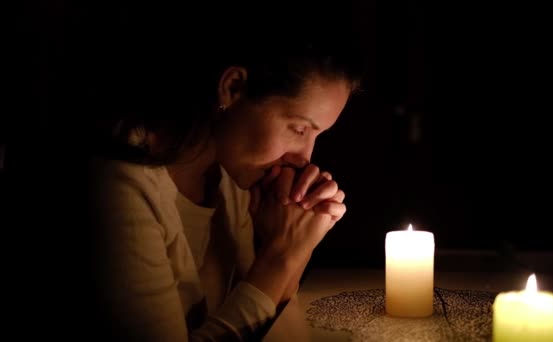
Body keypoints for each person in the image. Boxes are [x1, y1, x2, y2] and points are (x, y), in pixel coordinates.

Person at [73, 3, 364, 341]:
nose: (304, 158)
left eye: (317, 135)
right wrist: (282, 254)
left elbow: (265, 323)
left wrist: (292, 239)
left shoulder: (230, 175)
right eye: (298, 129)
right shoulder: (119, 183)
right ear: (233, 88)